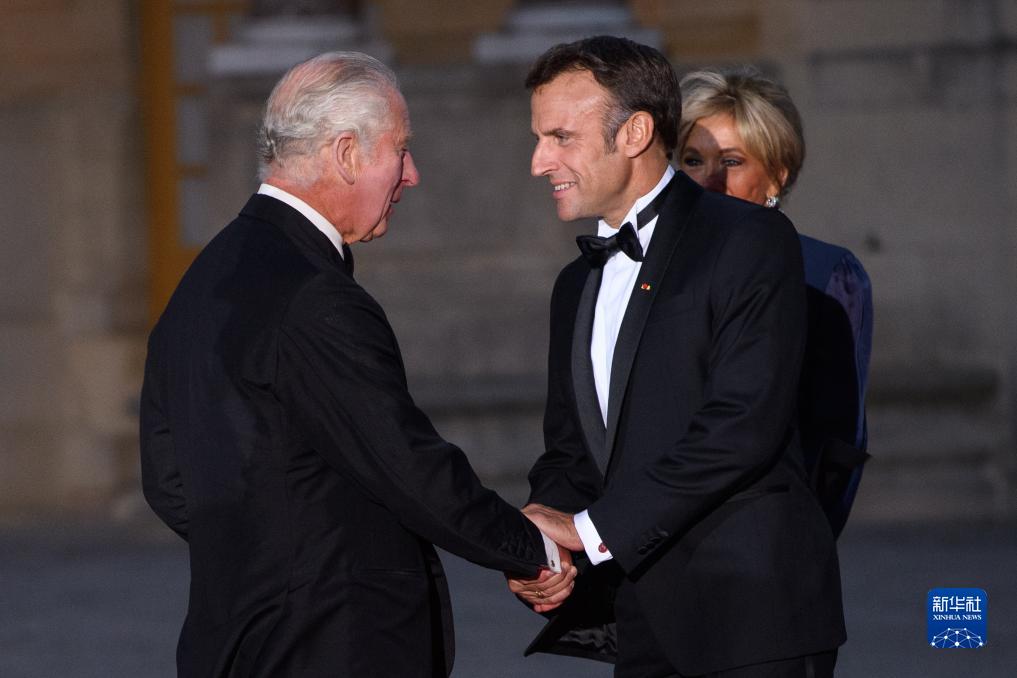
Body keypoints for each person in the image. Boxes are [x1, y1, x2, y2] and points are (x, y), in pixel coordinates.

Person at [139, 51, 575, 678]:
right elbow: (405, 462)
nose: (412, 175)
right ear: (346, 154)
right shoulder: (314, 295)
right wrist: (530, 550)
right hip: (329, 643)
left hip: (231, 639)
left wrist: (264, 554)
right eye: (401, 150)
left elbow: (167, 479)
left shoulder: (202, 279)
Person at [507, 36, 845, 677]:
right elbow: (570, 450)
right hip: (641, 622)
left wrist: (591, 531)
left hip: (752, 621)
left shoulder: (750, 239)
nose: (538, 162)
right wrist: (543, 548)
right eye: (539, 138)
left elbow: (741, 425)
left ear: (635, 133)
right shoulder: (574, 285)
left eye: (560, 137)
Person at [677, 67, 874, 537]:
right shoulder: (648, 269)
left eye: (731, 161)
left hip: (768, 540)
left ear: (776, 177)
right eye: (692, 160)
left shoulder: (823, 273)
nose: (709, 181)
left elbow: (835, 441)